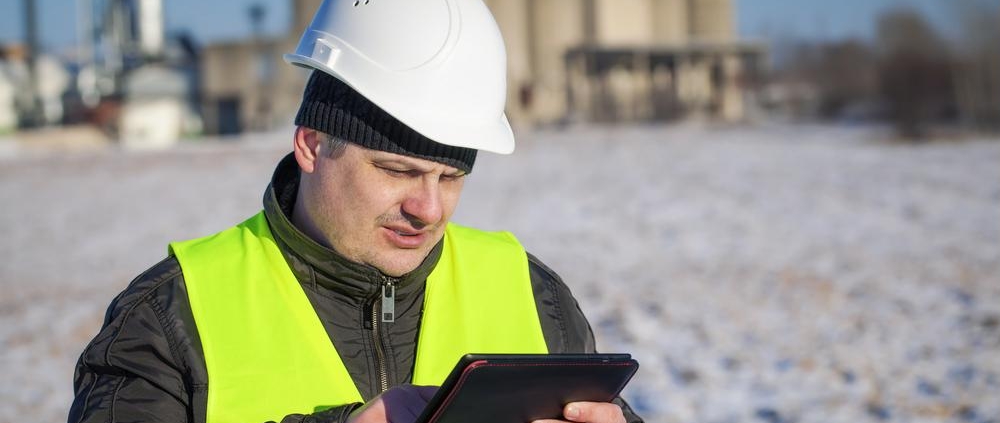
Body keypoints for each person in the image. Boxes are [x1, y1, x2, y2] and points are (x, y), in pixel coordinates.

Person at [69, 1, 643, 423]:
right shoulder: (170, 315)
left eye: (451, 176)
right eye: (396, 171)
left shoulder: (529, 290)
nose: (427, 209)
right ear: (313, 144)